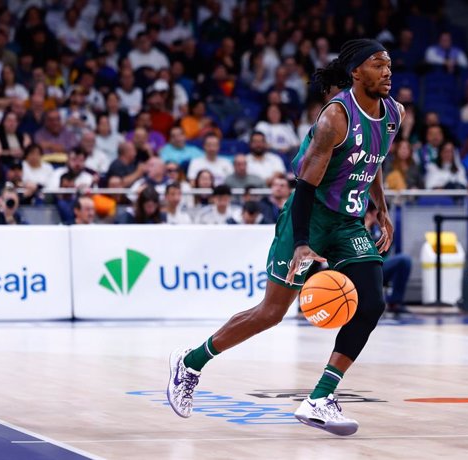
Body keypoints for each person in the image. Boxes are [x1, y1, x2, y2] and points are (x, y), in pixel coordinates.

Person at [167, 39, 403, 436]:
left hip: (347, 222)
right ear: (356, 73)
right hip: (307, 218)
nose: (387, 71)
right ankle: (190, 363)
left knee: (372, 302)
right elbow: (306, 187)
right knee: (270, 314)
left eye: (389, 64)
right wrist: (301, 245)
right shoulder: (336, 118)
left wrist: (380, 207)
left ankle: (321, 398)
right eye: (378, 64)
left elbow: (373, 160)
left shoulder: (394, 113)